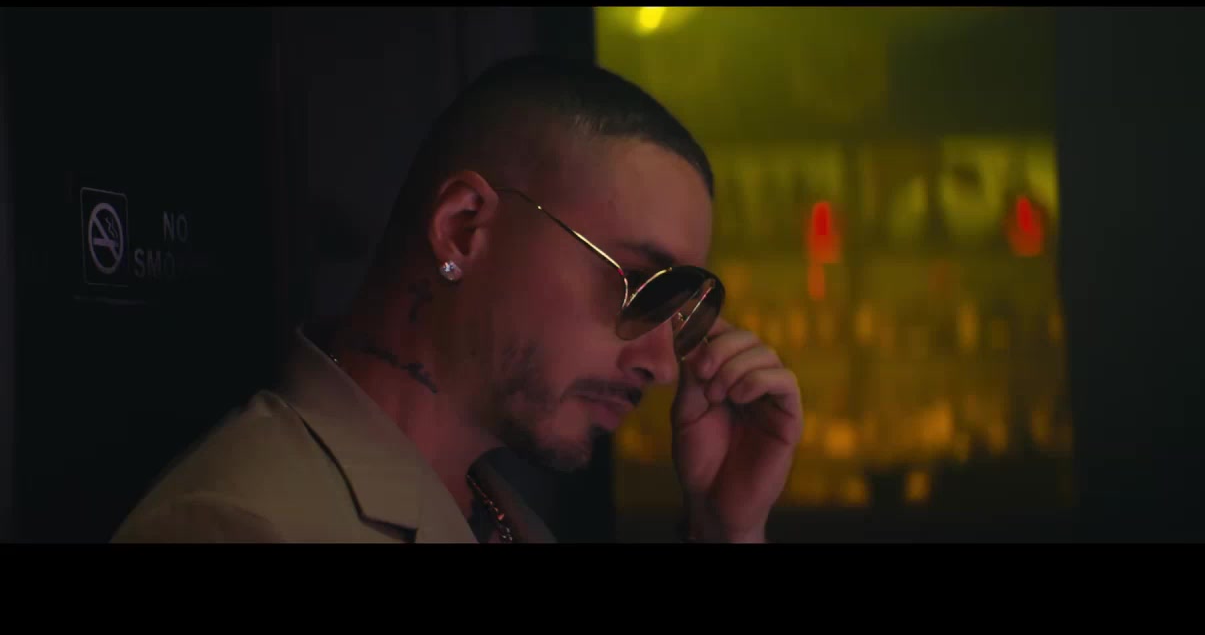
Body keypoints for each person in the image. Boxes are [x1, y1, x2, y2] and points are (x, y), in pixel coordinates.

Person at [111, 55, 803, 543]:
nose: (663, 363)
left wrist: (727, 530)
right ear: (463, 228)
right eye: (637, 284)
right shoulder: (245, 526)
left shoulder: (497, 513)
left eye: (676, 311)